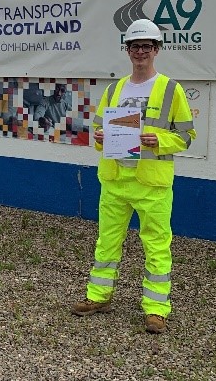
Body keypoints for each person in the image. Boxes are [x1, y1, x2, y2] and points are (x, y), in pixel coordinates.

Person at [71, 19, 196, 333]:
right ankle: (99, 296)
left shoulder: (171, 89)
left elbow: (187, 136)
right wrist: (99, 137)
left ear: (156, 50)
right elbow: (99, 128)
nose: (140, 51)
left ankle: (156, 310)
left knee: (156, 246)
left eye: (146, 46)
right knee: (106, 242)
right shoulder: (115, 88)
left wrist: (161, 140)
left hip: (151, 182)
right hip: (114, 179)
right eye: (134, 46)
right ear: (127, 51)